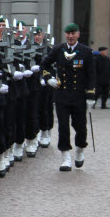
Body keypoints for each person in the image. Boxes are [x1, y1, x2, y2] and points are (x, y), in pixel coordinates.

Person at [39, 23, 96, 171]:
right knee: (63, 127)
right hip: (62, 94)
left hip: (79, 95)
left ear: (78, 34)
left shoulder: (86, 51)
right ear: (65, 35)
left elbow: (91, 74)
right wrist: (48, 78)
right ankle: (65, 157)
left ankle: (80, 149)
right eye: (68, 33)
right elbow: (44, 65)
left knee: (80, 127)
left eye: (73, 33)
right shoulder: (58, 50)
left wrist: (91, 94)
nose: (70, 36)